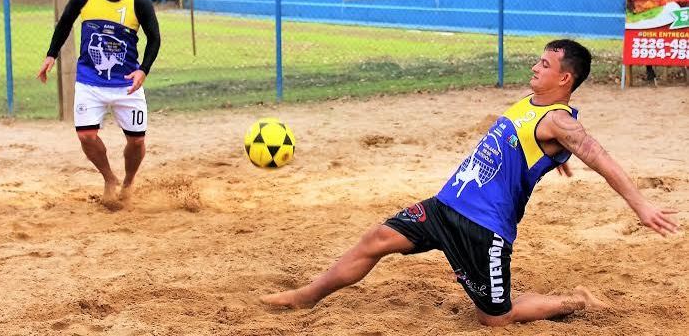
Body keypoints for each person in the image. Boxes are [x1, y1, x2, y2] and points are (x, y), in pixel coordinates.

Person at [261, 39, 679, 326]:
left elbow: (600, 157)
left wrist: (640, 206)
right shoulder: (537, 106)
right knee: (375, 240)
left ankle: (575, 301)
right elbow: (532, 145)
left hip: (483, 230)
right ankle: (306, 296)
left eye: (545, 65)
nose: (535, 67)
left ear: (565, 79)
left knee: (494, 319)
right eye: (538, 60)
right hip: (445, 206)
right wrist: (555, 161)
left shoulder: (560, 121)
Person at [37, 0, 161, 209]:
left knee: (137, 140)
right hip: (90, 81)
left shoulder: (138, 1)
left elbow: (155, 39)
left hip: (126, 83)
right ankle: (109, 178)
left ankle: (128, 182)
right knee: (86, 136)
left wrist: (143, 69)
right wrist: (51, 55)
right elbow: (65, 23)